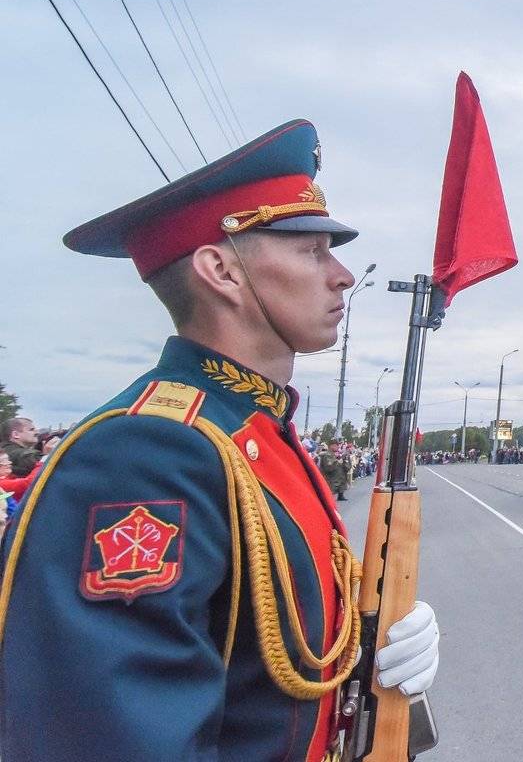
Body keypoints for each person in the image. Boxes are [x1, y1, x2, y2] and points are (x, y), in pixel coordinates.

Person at [0, 120, 440, 760]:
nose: (342, 275)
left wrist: (369, 646)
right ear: (221, 271)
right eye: (313, 251)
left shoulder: (250, 429)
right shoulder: (147, 453)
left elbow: (259, 673)